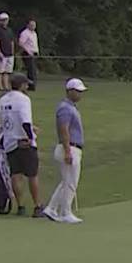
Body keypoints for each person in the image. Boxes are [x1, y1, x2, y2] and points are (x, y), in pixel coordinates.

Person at [0, 73, 46, 217]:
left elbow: (2, 122)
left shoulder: (2, 100)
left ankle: (21, 206)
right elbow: (25, 121)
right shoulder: (24, 100)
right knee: (32, 174)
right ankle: (37, 206)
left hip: (10, 141)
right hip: (24, 141)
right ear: (22, 85)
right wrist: (30, 136)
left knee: (16, 174)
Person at [44, 78, 88, 224]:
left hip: (72, 147)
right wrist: (68, 150)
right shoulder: (65, 108)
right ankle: (65, 212)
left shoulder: (71, 107)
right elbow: (63, 130)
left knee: (66, 182)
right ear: (70, 91)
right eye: (78, 91)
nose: (80, 94)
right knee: (70, 183)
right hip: (69, 147)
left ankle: (51, 208)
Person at [0, 12, 16, 89]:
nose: (4, 21)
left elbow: (12, 41)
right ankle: (0, 86)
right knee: (0, 71)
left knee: (7, 71)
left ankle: (6, 86)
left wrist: (12, 52)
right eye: (3, 20)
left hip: (9, 53)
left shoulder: (9, 30)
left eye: (6, 20)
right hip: (2, 53)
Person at [18, 18, 39, 90]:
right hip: (27, 53)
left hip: (34, 53)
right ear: (28, 25)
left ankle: (33, 85)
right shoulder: (25, 33)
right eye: (32, 25)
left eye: (34, 25)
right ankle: (30, 86)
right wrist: (28, 52)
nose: (33, 26)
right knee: (31, 70)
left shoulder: (34, 33)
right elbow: (21, 43)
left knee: (34, 70)